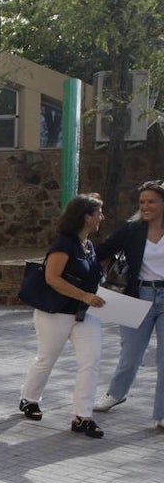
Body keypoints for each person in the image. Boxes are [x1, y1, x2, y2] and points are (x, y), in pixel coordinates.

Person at [18, 193, 107, 438]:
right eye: (99, 213)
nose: (102, 217)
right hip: (55, 313)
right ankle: (29, 398)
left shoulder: (88, 245)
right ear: (87, 217)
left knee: (91, 361)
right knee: (46, 359)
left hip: (85, 315)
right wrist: (85, 296)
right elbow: (52, 278)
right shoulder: (64, 244)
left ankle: (82, 416)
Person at [93, 180, 164, 430]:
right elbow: (102, 250)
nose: (145, 206)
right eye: (142, 202)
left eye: (151, 201)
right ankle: (116, 393)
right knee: (130, 354)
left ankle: (162, 414)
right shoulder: (133, 229)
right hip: (138, 296)